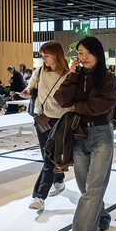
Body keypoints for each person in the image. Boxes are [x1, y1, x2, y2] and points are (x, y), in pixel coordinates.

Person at [54, 36, 116, 231]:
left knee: (94, 187)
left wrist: (77, 106)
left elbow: (103, 104)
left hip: (101, 136)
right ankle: (101, 218)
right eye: (80, 53)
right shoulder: (76, 75)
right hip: (78, 136)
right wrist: (72, 75)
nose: (83, 57)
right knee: (86, 188)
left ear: (97, 54)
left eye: (88, 53)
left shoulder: (108, 78)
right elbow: (62, 99)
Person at [22, 41, 70, 210]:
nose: (44, 59)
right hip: (42, 118)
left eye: (46, 55)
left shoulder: (67, 74)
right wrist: (27, 91)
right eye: (42, 56)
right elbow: (31, 85)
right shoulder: (40, 70)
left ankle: (38, 196)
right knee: (47, 157)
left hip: (60, 120)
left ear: (57, 55)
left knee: (50, 158)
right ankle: (58, 181)